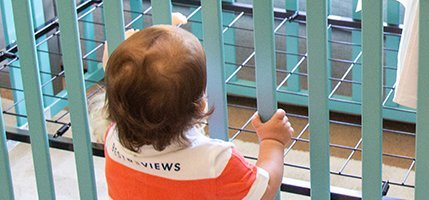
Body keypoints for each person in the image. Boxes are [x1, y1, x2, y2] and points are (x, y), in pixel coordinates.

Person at [104, 25, 293, 200]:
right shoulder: (215, 162)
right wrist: (273, 141)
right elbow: (264, 189)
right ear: (200, 105)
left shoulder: (112, 138)